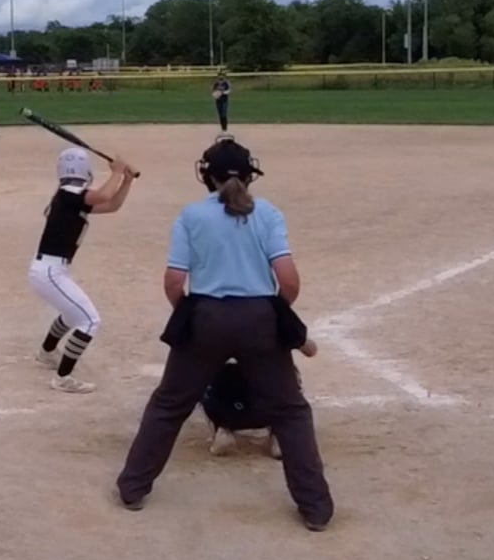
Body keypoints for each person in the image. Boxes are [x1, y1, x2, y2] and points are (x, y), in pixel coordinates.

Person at [116, 135, 333, 531]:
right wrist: (272, 314)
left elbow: (174, 281)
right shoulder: (267, 213)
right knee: (290, 411)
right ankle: (316, 509)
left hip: (205, 316)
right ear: (250, 175)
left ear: (206, 176)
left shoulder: (192, 215)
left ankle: (133, 487)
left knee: (169, 404)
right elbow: (288, 281)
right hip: (260, 318)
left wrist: (190, 316)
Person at [29, 147, 136, 393]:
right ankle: (63, 378)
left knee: (72, 314)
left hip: (50, 270)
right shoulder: (69, 195)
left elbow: (111, 205)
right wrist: (117, 171)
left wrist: (126, 181)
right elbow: (103, 195)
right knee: (89, 320)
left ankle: (46, 352)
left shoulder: (69, 197)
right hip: (49, 271)